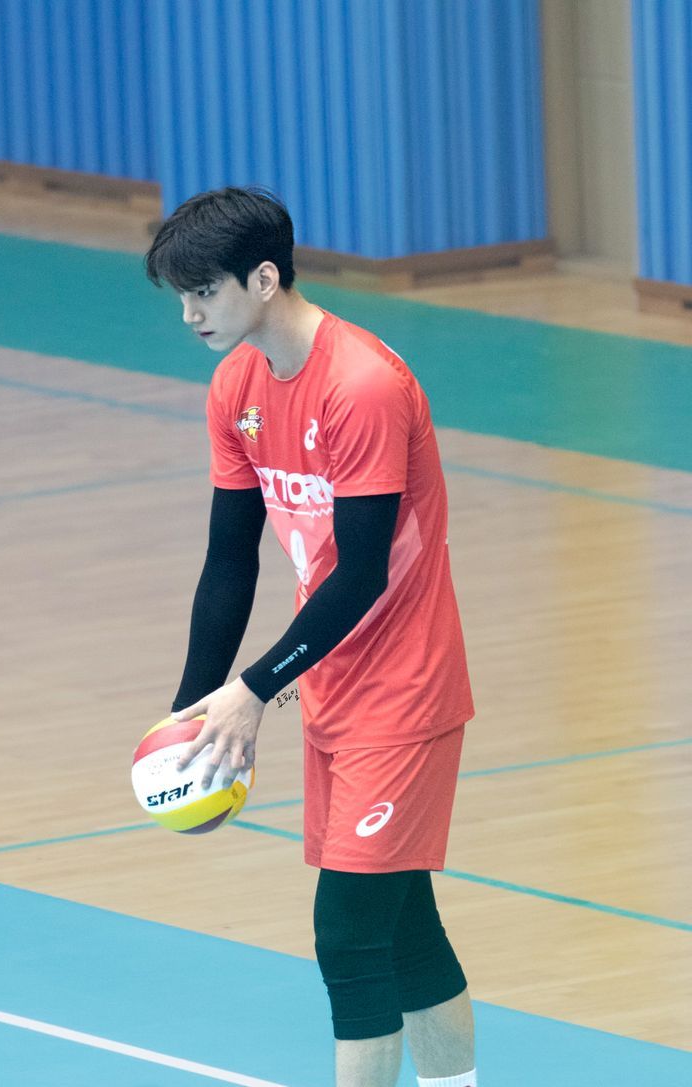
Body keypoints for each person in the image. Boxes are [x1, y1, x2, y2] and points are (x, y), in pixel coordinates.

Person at [145, 186, 477, 1087]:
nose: (189, 314)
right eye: (179, 296)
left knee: (349, 937)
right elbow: (229, 565)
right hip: (332, 688)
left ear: (262, 277)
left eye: (203, 292)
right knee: (407, 932)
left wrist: (252, 691)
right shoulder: (238, 387)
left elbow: (361, 575)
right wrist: (194, 714)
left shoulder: (362, 386)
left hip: (405, 694)